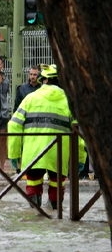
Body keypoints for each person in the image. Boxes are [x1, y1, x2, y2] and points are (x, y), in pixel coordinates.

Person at [8, 65, 84, 209]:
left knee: (33, 188)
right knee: (57, 190)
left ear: (44, 80)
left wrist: (14, 153)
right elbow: (78, 132)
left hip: (33, 154)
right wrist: (80, 157)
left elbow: (13, 125)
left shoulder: (30, 99)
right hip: (59, 155)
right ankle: (55, 214)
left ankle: (36, 219)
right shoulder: (70, 102)